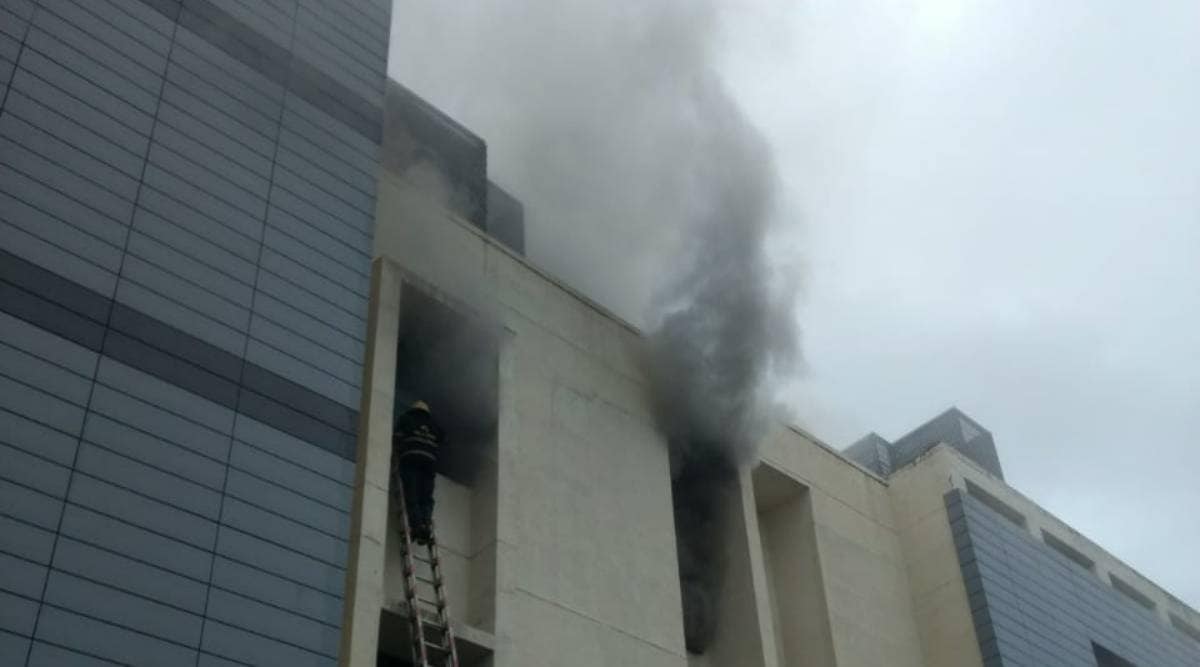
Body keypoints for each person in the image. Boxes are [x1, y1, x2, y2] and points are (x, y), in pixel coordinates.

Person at [392, 400, 443, 545]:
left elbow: (397, 436)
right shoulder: (434, 424)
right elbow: (443, 439)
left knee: (412, 495)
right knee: (426, 497)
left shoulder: (406, 419)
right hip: (429, 464)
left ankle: (417, 525)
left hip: (411, 460)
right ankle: (426, 524)